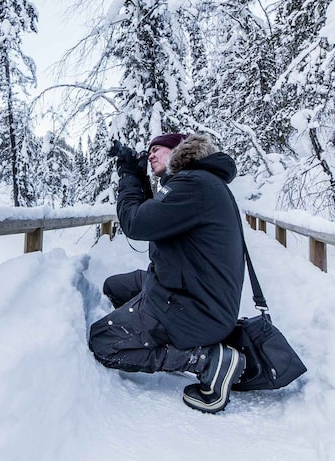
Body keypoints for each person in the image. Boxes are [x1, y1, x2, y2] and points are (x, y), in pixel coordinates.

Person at [88, 132, 246, 414]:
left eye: (157, 150)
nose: (150, 155)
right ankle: (152, 334)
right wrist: (138, 177)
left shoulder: (193, 185)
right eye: (149, 151)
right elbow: (157, 216)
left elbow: (136, 223)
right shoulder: (199, 183)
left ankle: (206, 359)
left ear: (178, 152)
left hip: (191, 307)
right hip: (192, 293)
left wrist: (128, 177)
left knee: (103, 341)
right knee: (115, 286)